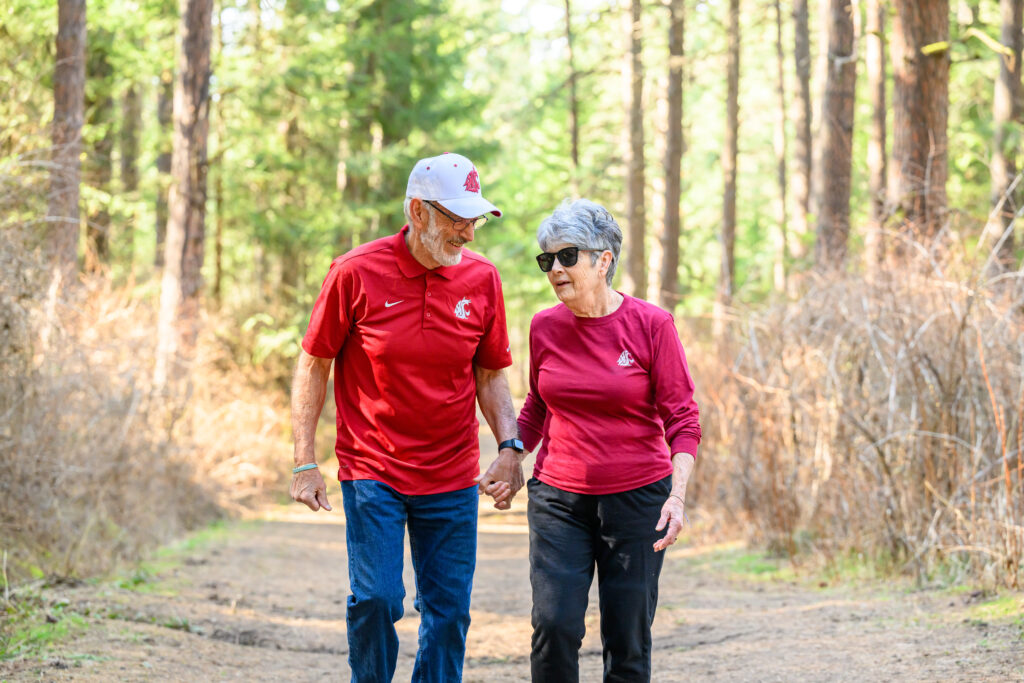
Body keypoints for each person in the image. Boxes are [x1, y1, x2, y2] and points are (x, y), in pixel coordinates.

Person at [289, 152, 526, 683]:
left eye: (476, 219)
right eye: (456, 218)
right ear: (418, 212)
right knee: (376, 599)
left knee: (448, 616)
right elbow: (314, 364)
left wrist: (509, 449)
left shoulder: (483, 281)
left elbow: (490, 376)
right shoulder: (355, 272)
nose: (469, 233)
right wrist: (304, 462)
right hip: (374, 468)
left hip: (451, 475)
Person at [506, 198, 700, 682]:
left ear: (603, 260)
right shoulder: (544, 326)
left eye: (567, 256)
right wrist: (511, 454)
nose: (555, 270)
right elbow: (538, 405)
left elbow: (682, 418)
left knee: (627, 636)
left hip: (638, 502)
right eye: (547, 260)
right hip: (558, 498)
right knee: (553, 626)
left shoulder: (652, 325)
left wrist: (677, 496)